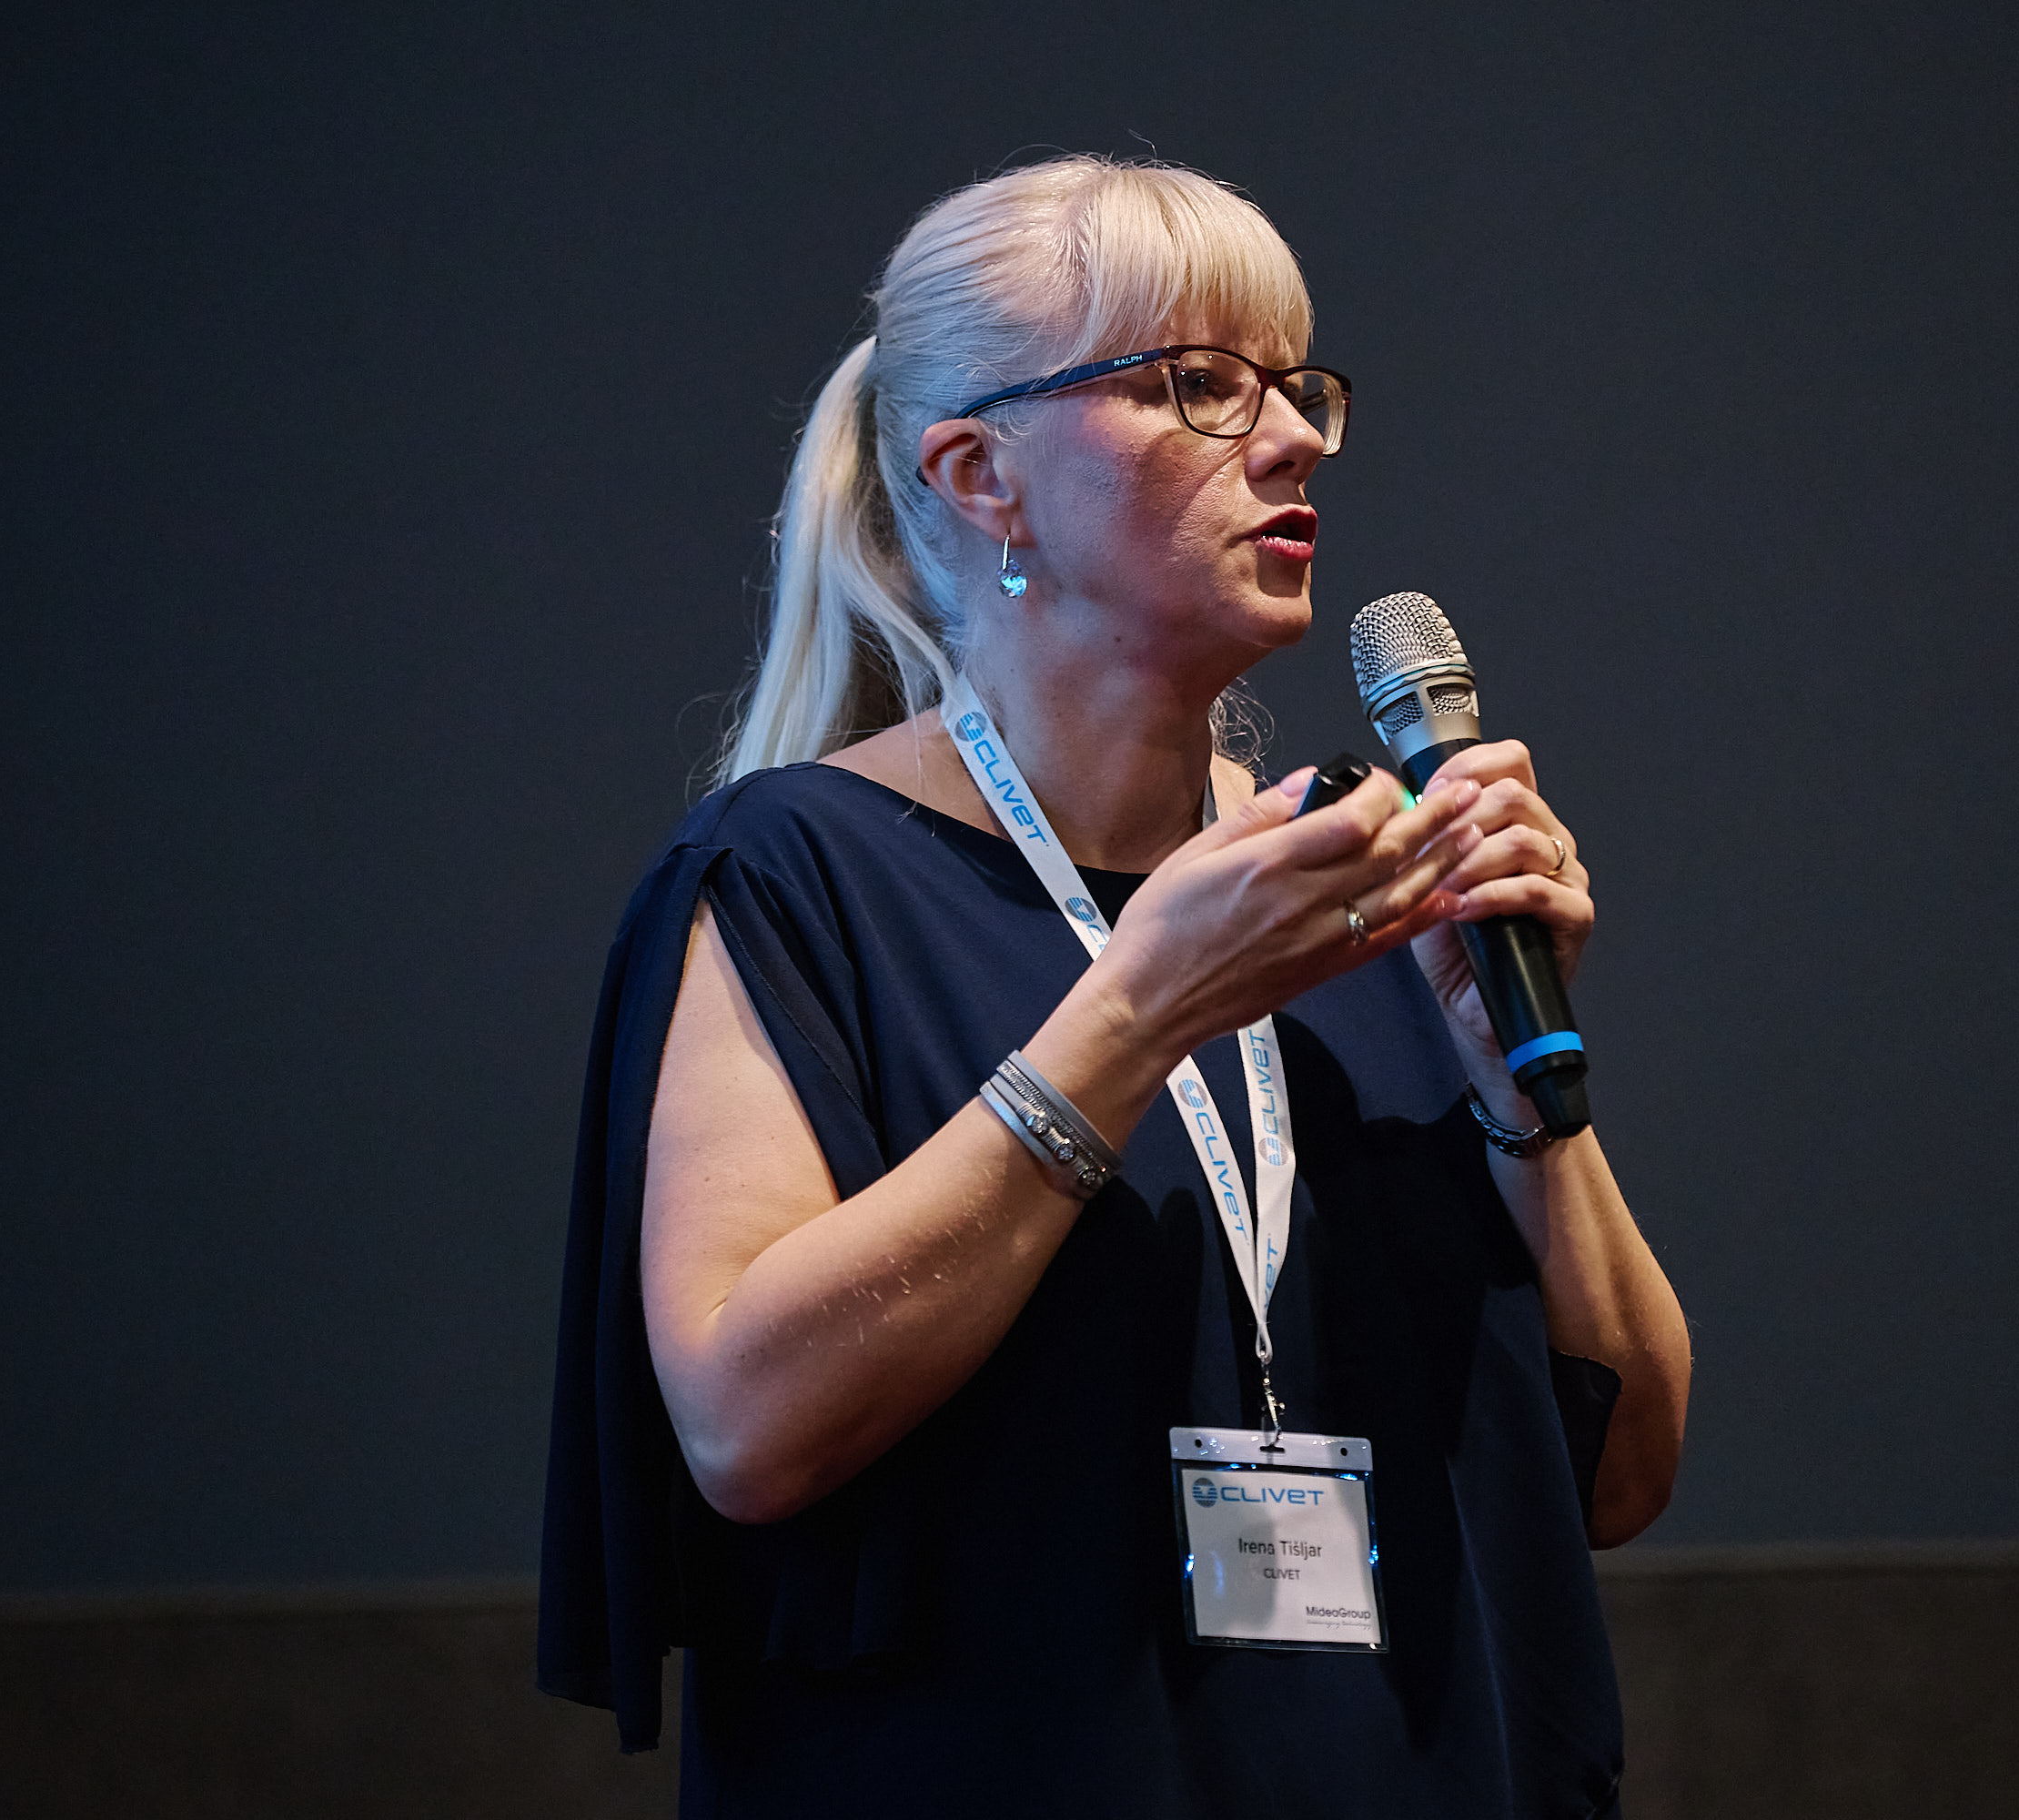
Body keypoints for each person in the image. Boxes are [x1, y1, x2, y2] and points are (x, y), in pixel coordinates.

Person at [540, 155, 1691, 1818]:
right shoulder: (795, 875)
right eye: (1201, 386)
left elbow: (1622, 1473)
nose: (1292, 440)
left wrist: (1523, 1095)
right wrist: (1137, 1013)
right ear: (980, 475)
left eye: (1298, 388)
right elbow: (745, 1426)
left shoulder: (1359, 884)